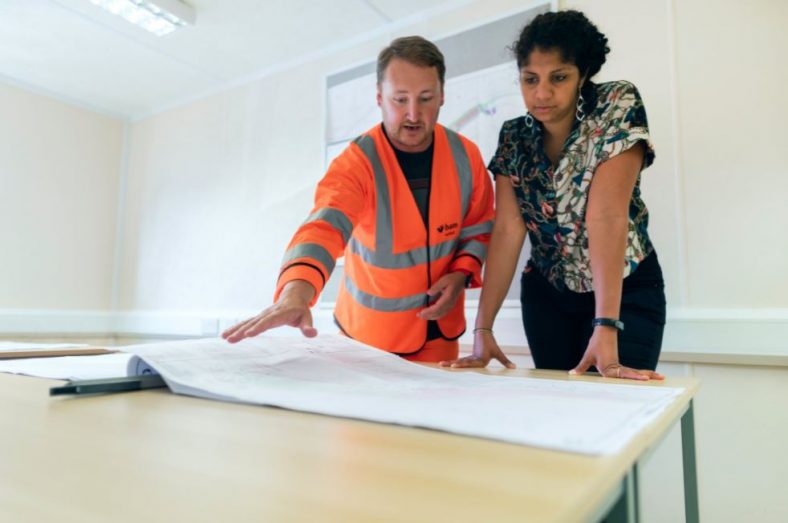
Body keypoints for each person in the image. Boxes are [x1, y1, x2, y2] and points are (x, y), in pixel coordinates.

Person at [222, 36, 495, 363]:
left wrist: (461, 273)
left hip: (440, 335)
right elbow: (323, 228)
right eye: (400, 99)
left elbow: (478, 228)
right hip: (369, 341)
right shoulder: (355, 164)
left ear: (442, 96)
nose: (413, 114)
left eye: (425, 98)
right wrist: (295, 293)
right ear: (379, 97)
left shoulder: (466, 156)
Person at [442, 10, 666, 380]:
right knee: (560, 408)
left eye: (559, 77)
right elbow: (508, 230)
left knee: (617, 403)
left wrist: (606, 324)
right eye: (530, 79)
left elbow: (605, 216)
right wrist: (483, 329)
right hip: (548, 297)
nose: (542, 93)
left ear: (583, 75)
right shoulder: (514, 136)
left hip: (624, 291)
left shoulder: (616, 104)